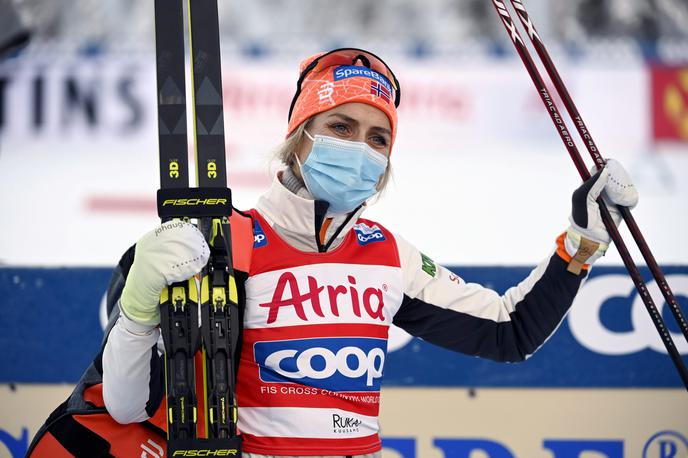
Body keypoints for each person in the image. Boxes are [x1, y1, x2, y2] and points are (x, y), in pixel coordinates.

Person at [44, 48, 640, 458]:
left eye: (378, 138)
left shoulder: (385, 254)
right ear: (299, 136)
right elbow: (126, 407)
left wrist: (580, 244)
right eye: (340, 127)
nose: (361, 148)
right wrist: (140, 306)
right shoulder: (223, 240)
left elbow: (510, 332)